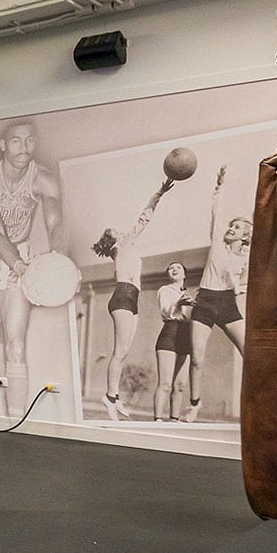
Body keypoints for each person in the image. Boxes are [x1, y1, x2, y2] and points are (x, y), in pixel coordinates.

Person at [0, 121, 64, 413]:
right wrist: (19, 265)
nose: (24, 147)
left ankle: (17, 423)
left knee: (16, 344)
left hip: (18, 254)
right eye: (16, 141)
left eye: (29, 140)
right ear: (4, 145)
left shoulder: (44, 178)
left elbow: (55, 222)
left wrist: (58, 260)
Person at [92, 178, 174, 419]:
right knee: (119, 351)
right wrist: (158, 192)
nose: (120, 229)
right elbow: (144, 218)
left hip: (131, 297)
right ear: (113, 239)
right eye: (114, 230)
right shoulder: (124, 244)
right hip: (123, 296)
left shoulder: (123, 248)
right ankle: (108, 397)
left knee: (124, 350)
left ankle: (114, 397)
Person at [183, 164, 251, 422]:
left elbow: (243, 286)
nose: (230, 229)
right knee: (197, 358)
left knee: (250, 354)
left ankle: (255, 403)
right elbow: (217, 212)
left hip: (227, 304)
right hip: (205, 301)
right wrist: (219, 187)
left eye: (236, 228)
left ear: (245, 237)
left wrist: (238, 287)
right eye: (230, 226)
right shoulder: (217, 245)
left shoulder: (244, 259)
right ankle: (194, 404)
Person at [153, 261, 195, 421]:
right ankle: (157, 420)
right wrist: (179, 304)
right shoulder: (165, 290)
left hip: (185, 336)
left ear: (184, 274)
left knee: (180, 385)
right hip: (170, 334)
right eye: (170, 268)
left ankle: (174, 420)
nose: (174, 269)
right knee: (165, 383)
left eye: (178, 267)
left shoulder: (188, 295)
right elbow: (165, 311)